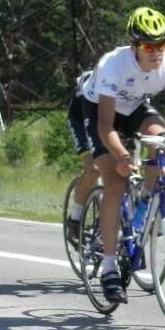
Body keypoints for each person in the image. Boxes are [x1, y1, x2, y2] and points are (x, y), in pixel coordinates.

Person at [81, 7, 165, 304]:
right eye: (148, 46)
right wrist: (120, 155)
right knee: (115, 181)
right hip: (100, 114)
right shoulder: (113, 66)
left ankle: (145, 199)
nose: (156, 52)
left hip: (134, 108)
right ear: (135, 46)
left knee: (163, 139)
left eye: (161, 45)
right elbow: (106, 126)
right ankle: (108, 267)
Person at [63, 70, 97, 245]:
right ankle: (74, 220)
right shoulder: (94, 85)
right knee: (93, 168)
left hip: (104, 118)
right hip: (80, 120)